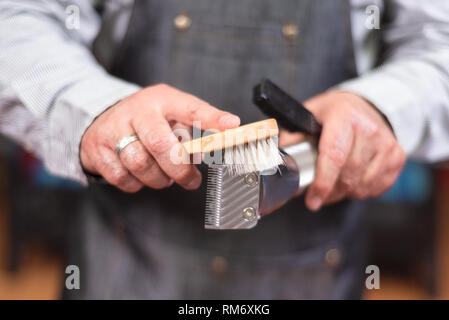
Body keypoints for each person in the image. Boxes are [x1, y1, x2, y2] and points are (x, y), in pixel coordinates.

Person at [0, 0, 448, 299]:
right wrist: (93, 109)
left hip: (317, 269)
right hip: (123, 264)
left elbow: (439, 40)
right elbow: (18, 21)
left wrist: (383, 108)